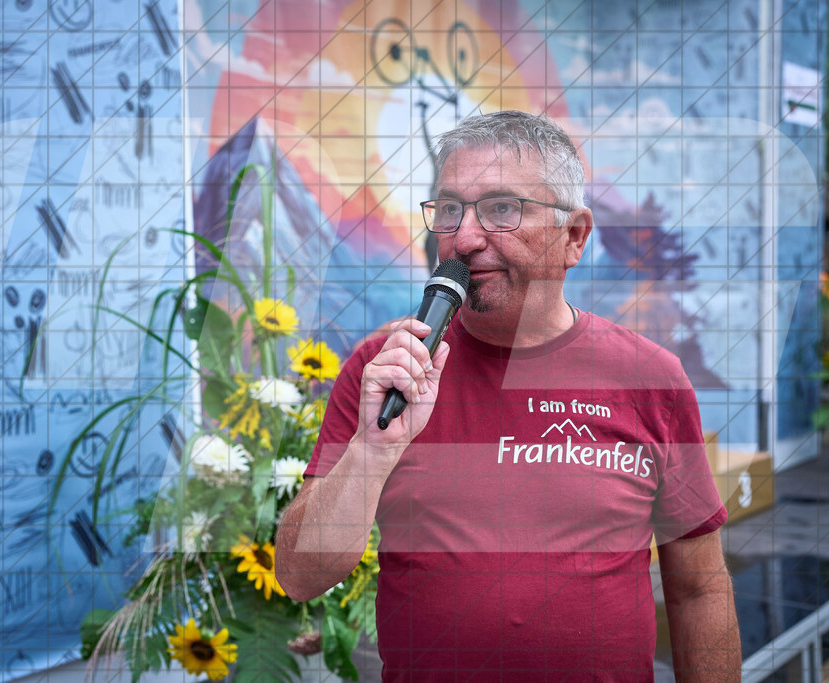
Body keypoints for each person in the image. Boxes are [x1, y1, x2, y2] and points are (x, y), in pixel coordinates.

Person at [274, 111, 741, 681]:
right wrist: (372, 451)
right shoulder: (386, 371)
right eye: (450, 210)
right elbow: (300, 577)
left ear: (573, 236)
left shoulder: (650, 378)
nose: (464, 238)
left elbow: (697, 590)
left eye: (501, 209)